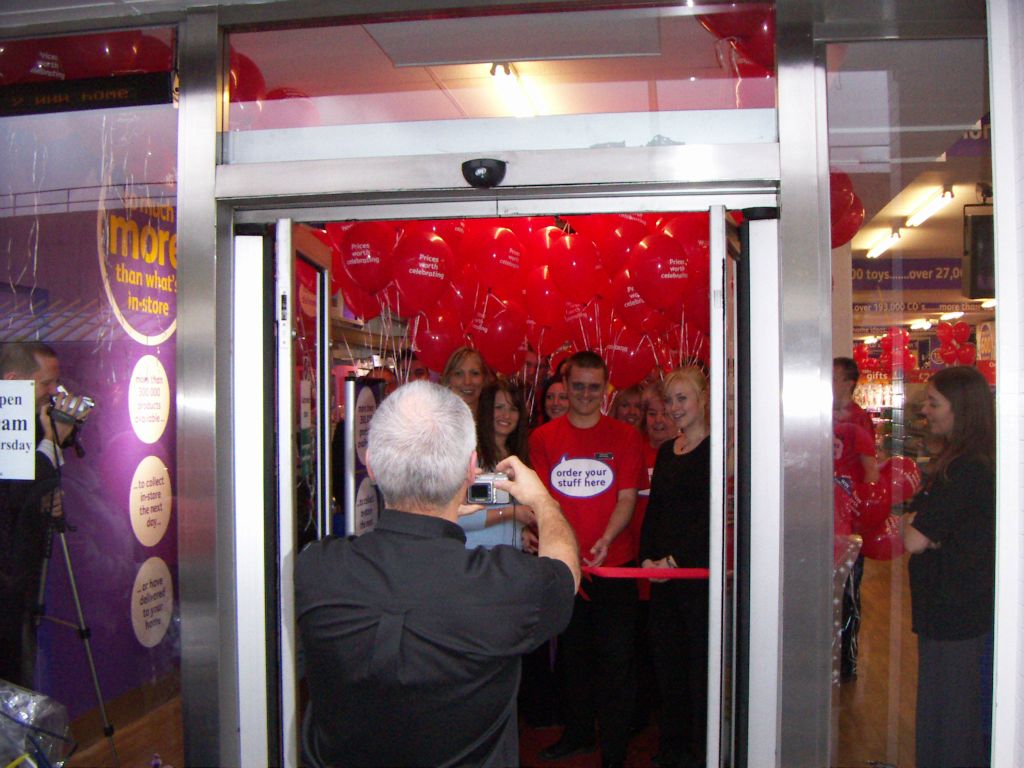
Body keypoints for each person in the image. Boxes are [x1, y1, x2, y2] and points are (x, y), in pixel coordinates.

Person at [296, 381, 580, 768]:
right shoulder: (505, 585)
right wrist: (543, 500)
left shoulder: (316, 568)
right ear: (470, 469)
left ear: (373, 466)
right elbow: (565, 571)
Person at [529, 350, 645, 768]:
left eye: (594, 387)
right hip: (566, 567)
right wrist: (568, 547)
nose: (584, 394)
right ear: (566, 382)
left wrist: (606, 538)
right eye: (577, 385)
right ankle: (577, 734)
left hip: (615, 564)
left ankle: (614, 749)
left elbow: (627, 497)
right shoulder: (543, 438)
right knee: (573, 658)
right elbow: (544, 501)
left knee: (617, 662)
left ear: (605, 388)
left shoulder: (626, 437)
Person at [901, 365, 994, 768]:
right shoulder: (958, 465)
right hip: (944, 610)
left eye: (934, 402)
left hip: (957, 612)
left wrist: (921, 529)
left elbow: (913, 537)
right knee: (941, 714)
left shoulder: (965, 470)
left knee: (951, 720)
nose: (926, 410)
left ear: (961, 409)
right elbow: (921, 530)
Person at [0, 342, 87, 688]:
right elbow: (14, 498)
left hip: (19, 574)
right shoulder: (10, 428)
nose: (53, 393)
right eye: (44, 384)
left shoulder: (24, 420)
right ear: (12, 380)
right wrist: (53, 441)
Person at [639, 366, 711, 768]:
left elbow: (708, 519)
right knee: (667, 668)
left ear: (702, 399)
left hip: (695, 579)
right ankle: (671, 747)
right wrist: (648, 558)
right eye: (669, 400)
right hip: (663, 579)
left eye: (682, 399)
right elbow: (656, 512)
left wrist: (676, 560)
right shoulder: (668, 450)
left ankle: (698, 751)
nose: (674, 408)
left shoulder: (718, 452)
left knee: (696, 669)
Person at [832, 356, 878, 682]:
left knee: (848, 592)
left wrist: (863, 511)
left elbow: (870, 470)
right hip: (822, 514)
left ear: (848, 382)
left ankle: (846, 661)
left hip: (848, 520)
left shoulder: (860, 421)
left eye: (833, 378)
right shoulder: (819, 416)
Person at [459, 380, 535, 549]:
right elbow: (457, 517)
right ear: (486, 410)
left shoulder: (516, 456)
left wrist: (521, 531)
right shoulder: (470, 454)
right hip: (474, 556)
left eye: (513, 409)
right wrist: (510, 514)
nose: (506, 416)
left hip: (508, 559)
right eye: (499, 407)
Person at [442, 346, 491, 420]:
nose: (467, 382)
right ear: (448, 379)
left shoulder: (496, 422)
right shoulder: (434, 424)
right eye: (459, 374)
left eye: (475, 373)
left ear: (484, 378)